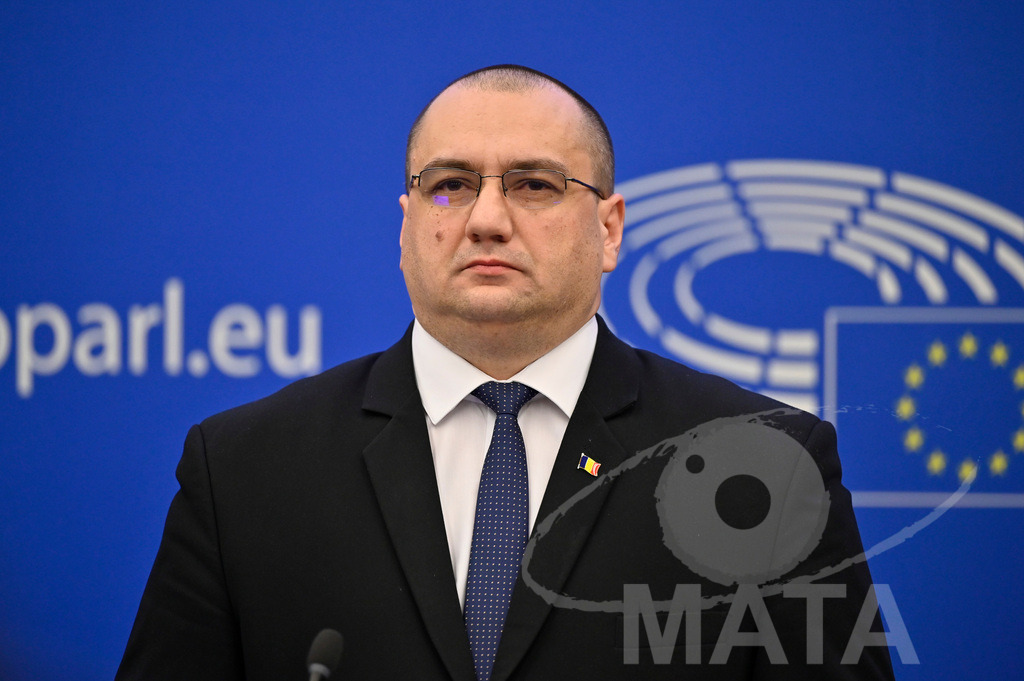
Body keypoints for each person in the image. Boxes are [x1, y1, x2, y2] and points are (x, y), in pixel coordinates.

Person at [116, 65, 895, 680]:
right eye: (450, 185)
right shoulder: (244, 467)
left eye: (534, 185)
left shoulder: (764, 466)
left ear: (610, 229)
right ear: (406, 227)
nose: (486, 219)